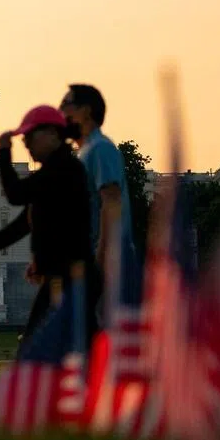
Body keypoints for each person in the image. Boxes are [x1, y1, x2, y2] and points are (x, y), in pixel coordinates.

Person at [0, 104, 96, 341]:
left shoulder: (63, 171)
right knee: (51, 346)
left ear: (53, 134)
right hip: (60, 275)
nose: (26, 144)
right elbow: (21, 226)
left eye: (30, 137)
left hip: (71, 277)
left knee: (53, 346)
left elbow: (15, 194)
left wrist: (4, 152)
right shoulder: (55, 171)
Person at [59, 84, 141, 327]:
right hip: (93, 259)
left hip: (108, 260)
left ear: (85, 111)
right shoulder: (86, 152)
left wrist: (101, 259)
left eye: (66, 106)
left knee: (107, 337)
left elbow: (111, 202)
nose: (61, 112)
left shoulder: (101, 149)